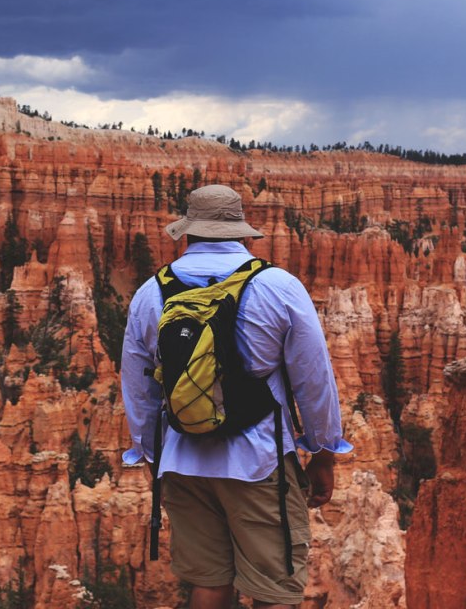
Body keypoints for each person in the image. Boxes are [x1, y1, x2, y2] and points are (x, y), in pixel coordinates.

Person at [121, 184, 352, 609]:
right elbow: (313, 379)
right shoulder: (277, 285)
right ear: (243, 234)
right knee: (274, 591)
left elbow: (139, 388)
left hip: (182, 462)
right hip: (259, 462)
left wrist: (150, 456)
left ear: (187, 233)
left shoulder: (150, 293)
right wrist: (322, 453)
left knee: (208, 585)